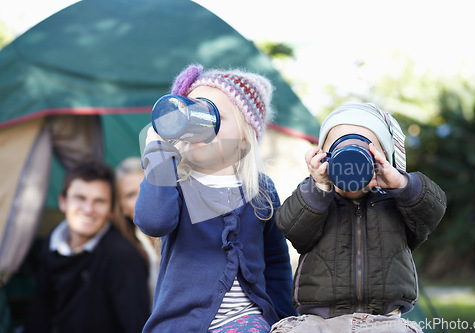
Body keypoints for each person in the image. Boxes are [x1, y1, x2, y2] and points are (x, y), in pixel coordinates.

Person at [134, 64, 297, 333]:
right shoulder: (175, 182)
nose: (198, 124)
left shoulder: (260, 189)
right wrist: (158, 152)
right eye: (192, 113)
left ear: (245, 137)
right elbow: (153, 221)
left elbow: (276, 261)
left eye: (213, 115)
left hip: (247, 321)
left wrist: (283, 318)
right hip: (181, 324)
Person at [271, 103, 447, 333]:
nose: (351, 159)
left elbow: (432, 211)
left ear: (382, 157)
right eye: (339, 148)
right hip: (320, 320)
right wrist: (319, 187)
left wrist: (401, 183)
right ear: (324, 156)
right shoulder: (316, 197)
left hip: (384, 320)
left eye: (365, 150)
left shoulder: (396, 201)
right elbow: (291, 227)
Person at [24, 162, 150, 333]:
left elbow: (136, 325)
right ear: (63, 202)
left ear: (111, 211)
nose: (88, 209)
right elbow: (40, 309)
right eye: (80, 198)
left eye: (99, 201)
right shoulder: (53, 242)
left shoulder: (122, 256)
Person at [114, 156, 160, 307]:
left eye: (145, 187)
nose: (141, 198)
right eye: (130, 195)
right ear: (121, 207)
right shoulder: (121, 252)